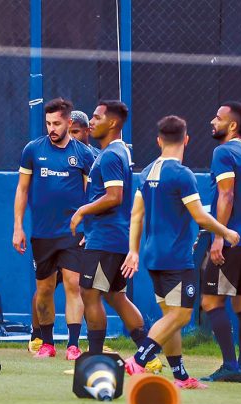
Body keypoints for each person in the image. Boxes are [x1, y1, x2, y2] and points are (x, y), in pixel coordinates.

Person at [121, 115, 240, 389]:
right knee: (182, 316)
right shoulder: (182, 174)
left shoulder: (147, 170)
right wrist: (226, 231)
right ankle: (139, 361)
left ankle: (181, 377)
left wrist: (133, 251)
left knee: (170, 318)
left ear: (159, 140)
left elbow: (136, 215)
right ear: (186, 140)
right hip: (176, 258)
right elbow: (199, 216)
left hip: (152, 257)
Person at [69, 100, 161, 373]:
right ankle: (148, 355)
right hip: (110, 236)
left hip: (107, 239)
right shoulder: (117, 152)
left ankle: (95, 360)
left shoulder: (110, 155)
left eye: (96, 118)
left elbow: (114, 196)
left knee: (89, 292)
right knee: (115, 295)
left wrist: (82, 211)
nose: (92, 123)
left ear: (112, 123)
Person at [13, 98, 94, 360]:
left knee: (73, 285)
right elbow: (22, 189)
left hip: (71, 234)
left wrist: (88, 230)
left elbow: (93, 196)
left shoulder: (83, 154)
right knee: (45, 289)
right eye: (48, 123)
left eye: (57, 123)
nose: (52, 128)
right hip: (42, 235)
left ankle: (72, 345)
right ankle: (46, 343)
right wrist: (18, 227)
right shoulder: (33, 150)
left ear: (69, 123)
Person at [200, 101, 241, 382]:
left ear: (232, 125)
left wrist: (218, 236)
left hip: (231, 240)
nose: (213, 121)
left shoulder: (223, 152)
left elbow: (227, 195)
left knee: (211, 300)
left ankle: (230, 366)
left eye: (218, 118)